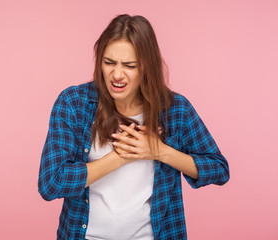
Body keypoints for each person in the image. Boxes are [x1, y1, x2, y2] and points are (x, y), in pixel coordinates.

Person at [38, 14, 230, 240]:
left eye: (129, 66)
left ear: (147, 67)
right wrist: (119, 157)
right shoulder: (74, 102)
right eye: (109, 62)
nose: (117, 74)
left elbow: (219, 169)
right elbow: (51, 183)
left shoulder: (175, 109)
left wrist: (159, 151)